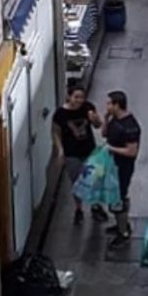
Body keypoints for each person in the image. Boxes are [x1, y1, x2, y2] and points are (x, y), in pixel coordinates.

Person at [52, 87, 103, 224]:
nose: (79, 100)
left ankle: (95, 206)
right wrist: (60, 150)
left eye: (82, 97)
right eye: (76, 97)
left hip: (89, 150)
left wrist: (95, 119)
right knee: (77, 182)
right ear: (69, 96)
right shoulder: (61, 114)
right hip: (72, 153)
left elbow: (98, 126)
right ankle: (79, 209)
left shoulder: (88, 107)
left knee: (93, 180)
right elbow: (56, 132)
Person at [103, 91, 141, 248]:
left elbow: (132, 151)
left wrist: (111, 149)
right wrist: (105, 120)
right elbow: (105, 134)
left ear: (117, 105)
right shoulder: (114, 119)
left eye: (109, 103)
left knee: (119, 197)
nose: (106, 106)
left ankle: (123, 231)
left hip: (122, 168)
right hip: (112, 165)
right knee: (113, 197)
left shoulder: (130, 126)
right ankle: (120, 224)